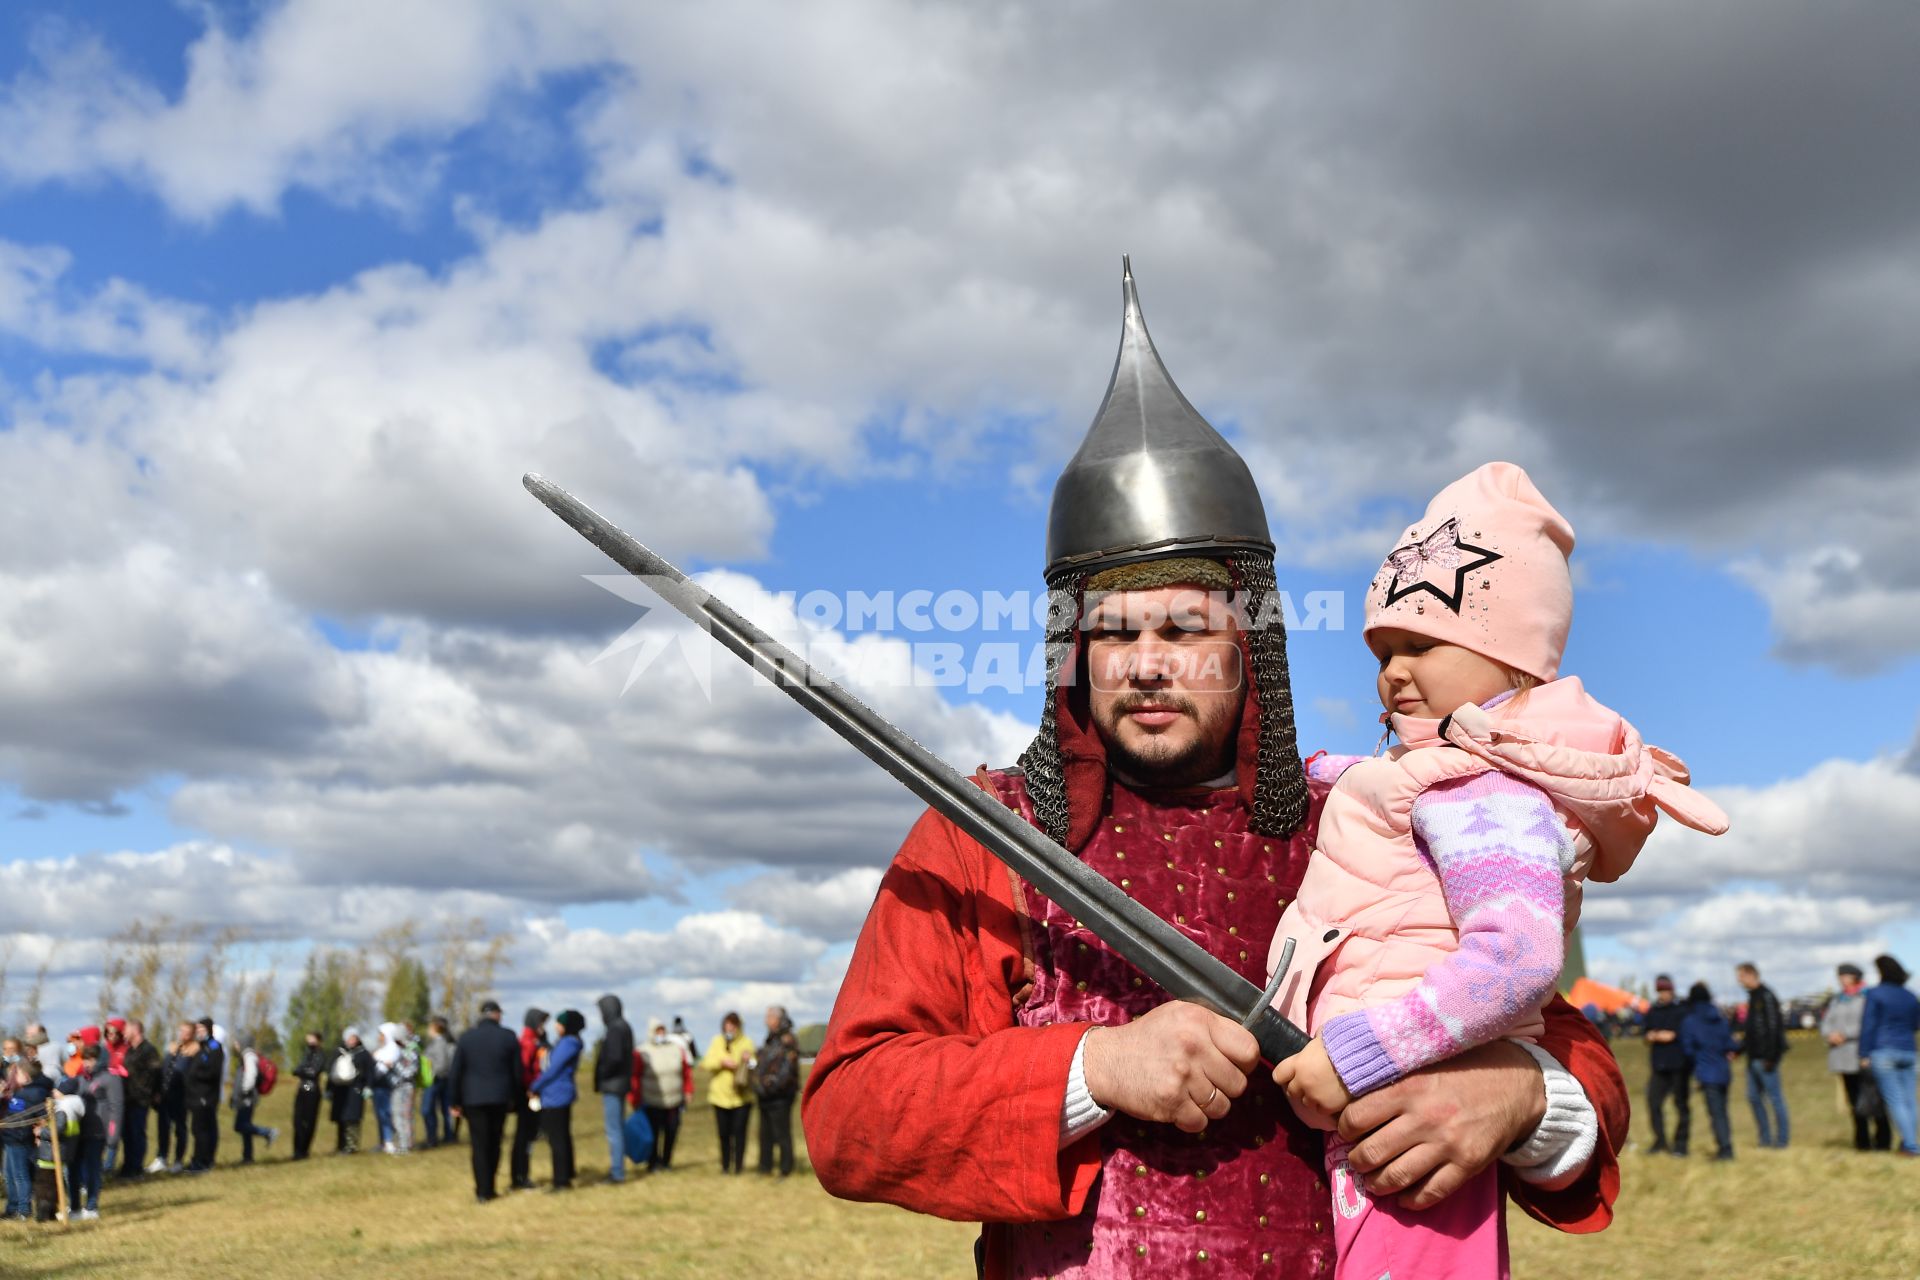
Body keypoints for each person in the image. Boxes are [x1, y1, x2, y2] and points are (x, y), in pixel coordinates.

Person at [804, 263, 1627, 1278]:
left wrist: (1518, 1093)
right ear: (1075, 653)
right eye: (1112, 632)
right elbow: (851, 1111)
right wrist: (1091, 1065)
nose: (1147, 661)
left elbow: (1569, 1042)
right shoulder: (985, 836)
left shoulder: (1378, 816)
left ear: (1253, 644)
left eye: (1185, 625)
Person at [1266, 462, 1725, 1274]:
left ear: (1509, 661)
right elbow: (1385, 787)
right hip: (1376, 1108)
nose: (1391, 672)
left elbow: (1514, 958)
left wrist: (1362, 1051)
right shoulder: (1445, 774)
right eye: (1383, 649)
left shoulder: (1492, 799)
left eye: (1420, 645)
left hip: (1406, 1118)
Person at [449, 999, 524, 1202]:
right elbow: (517, 1072)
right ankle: (490, 1185)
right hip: (500, 1098)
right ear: (497, 1015)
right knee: (495, 1142)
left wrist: (454, 1101)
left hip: (473, 1099)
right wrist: (517, 1099)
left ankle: (482, 1191)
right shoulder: (508, 1037)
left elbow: (456, 1072)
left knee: (479, 1145)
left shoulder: (466, 1038)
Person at [1822, 964, 1891, 1152]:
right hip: (1842, 1057)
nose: (1842, 979)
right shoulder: (1837, 1000)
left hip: (1863, 1055)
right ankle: (1862, 1142)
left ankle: (1883, 1140)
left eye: (1846, 976)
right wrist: (1830, 1034)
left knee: (1873, 1100)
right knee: (1854, 1102)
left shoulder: (1867, 996)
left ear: (1855, 977)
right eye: (1840, 976)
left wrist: (1845, 1034)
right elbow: (1826, 1023)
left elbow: (1870, 1023)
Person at [1859, 953, 1920, 1156]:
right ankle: (1909, 1142)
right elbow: (1915, 1024)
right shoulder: (1911, 996)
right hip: (1909, 1051)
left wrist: (1864, 1053)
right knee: (1910, 1099)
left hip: (1883, 1050)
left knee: (1895, 1101)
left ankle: (1910, 1145)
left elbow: (1869, 1025)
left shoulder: (1875, 994)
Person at [1680, 983, 1737, 1160]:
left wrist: (1698, 1060)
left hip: (1707, 1071)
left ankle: (1725, 1150)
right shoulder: (1720, 1018)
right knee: (1723, 1111)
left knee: (1716, 1113)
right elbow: (1730, 1044)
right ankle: (1726, 1145)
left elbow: (1687, 1049)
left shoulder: (1690, 1021)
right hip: (1724, 1071)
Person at [528, 1009, 583, 1190]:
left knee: (557, 1138)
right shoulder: (567, 1042)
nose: (556, 1027)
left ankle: (561, 1180)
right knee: (562, 1136)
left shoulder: (568, 1043)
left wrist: (535, 1086)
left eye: (559, 1023)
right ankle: (567, 1171)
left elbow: (552, 1068)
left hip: (556, 1095)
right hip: (558, 1093)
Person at [1736, 962, 1790, 1148]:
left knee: (1775, 1098)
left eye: (1741, 976)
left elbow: (1775, 1028)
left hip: (1766, 1058)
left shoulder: (1766, 996)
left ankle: (1781, 1140)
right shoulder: (1752, 998)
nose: (1738, 980)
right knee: (1753, 1097)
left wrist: (1772, 1057)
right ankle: (1764, 1139)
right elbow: (1751, 1031)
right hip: (1752, 1058)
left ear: (1751, 975)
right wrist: (1738, 1050)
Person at [68, 1041, 121, 1218]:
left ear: (100, 1059)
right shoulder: (81, 1079)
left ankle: (91, 1207)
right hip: (78, 1131)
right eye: (85, 1059)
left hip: (97, 1133)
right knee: (73, 1169)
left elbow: (116, 1108)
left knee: (92, 1170)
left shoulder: (111, 1079)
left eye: (91, 1059)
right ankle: (74, 1207)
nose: (87, 1063)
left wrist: (112, 1137)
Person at [1642, 976, 1693, 1155]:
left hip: (1679, 1065)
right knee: (1653, 1102)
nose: (1663, 994)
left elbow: (1675, 1035)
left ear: (1672, 990)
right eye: (1660, 990)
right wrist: (1655, 1036)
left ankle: (1681, 1144)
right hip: (1659, 1066)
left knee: (1681, 1105)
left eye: (1665, 990)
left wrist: (1662, 1036)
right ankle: (1660, 1141)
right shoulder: (1653, 1010)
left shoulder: (1681, 1010)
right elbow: (1646, 1034)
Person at [700, 1011, 756, 1174]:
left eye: (732, 1026)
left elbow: (754, 1065)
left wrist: (748, 1060)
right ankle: (725, 1166)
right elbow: (707, 1062)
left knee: (739, 1133)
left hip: (741, 1098)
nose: (729, 1029)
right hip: (720, 1097)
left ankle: (738, 1166)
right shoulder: (716, 1041)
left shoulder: (747, 1042)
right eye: (727, 1026)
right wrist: (721, 1062)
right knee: (723, 1134)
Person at [635, 1017, 688, 1171]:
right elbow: (636, 1075)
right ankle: (652, 1162)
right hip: (652, 1099)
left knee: (671, 1131)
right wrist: (635, 1098)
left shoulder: (676, 1049)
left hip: (673, 1099)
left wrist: (687, 1091)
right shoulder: (642, 1051)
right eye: (658, 1030)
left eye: (663, 1030)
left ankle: (666, 1161)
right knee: (653, 1132)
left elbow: (685, 1071)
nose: (661, 1033)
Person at [593, 994, 635, 1184]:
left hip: (613, 1083)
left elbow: (614, 1058)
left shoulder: (615, 1029)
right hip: (620, 1083)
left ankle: (617, 1172)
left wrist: (603, 1072)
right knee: (617, 1127)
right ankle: (618, 1169)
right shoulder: (623, 1027)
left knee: (613, 1129)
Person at [3, 1058, 51, 1221]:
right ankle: (12, 1207)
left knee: (20, 1176)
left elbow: (40, 1115)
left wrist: (40, 1133)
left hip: (20, 1139)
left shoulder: (34, 1093)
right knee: (9, 1175)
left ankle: (24, 1209)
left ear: (25, 1075)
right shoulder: (21, 1092)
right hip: (10, 1138)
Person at [755, 1006, 800, 1178]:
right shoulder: (770, 1039)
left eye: (769, 1016)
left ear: (778, 1019)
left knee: (782, 1133)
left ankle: (785, 1168)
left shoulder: (788, 1039)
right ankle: (764, 1167)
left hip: (781, 1096)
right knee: (764, 1133)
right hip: (765, 1095)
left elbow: (787, 1069)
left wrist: (771, 1086)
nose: (766, 1020)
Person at [510, 1007, 550, 1191]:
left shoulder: (537, 1041)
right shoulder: (527, 1042)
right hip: (529, 1094)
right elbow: (524, 1069)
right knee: (524, 1137)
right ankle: (520, 1175)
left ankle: (521, 1174)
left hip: (533, 1092)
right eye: (541, 1022)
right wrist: (532, 1087)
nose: (543, 1026)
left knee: (528, 1137)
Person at [117, 1020, 161, 1180]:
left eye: (126, 1030)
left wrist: (155, 1093)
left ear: (135, 1030)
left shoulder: (149, 1050)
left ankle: (137, 1169)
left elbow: (157, 1073)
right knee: (127, 1135)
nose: (123, 1033)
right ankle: (127, 1167)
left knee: (137, 1133)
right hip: (127, 1098)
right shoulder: (130, 1051)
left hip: (141, 1098)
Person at [182, 1017, 224, 1173]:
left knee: (203, 1130)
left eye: (201, 1030)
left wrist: (196, 1075)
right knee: (197, 1129)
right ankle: (197, 1159)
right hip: (195, 1096)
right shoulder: (200, 1047)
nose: (199, 1032)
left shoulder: (214, 1047)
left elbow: (213, 1071)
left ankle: (204, 1161)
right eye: (197, 1030)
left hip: (206, 1096)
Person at [151, 1021, 194, 1173]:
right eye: (181, 1031)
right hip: (165, 1095)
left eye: (186, 1032)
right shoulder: (173, 1050)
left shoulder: (193, 1053)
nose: (182, 1034)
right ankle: (161, 1158)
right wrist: (158, 1091)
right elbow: (163, 1071)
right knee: (163, 1127)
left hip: (181, 1097)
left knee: (180, 1129)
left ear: (191, 1034)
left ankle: (178, 1161)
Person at [230, 1034, 279, 1163]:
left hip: (247, 1097)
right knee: (246, 1126)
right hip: (246, 1097)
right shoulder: (247, 1056)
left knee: (239, 1125)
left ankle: (268, 1132)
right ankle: (248, 1157)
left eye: (236, 1042)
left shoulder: (249, 1056)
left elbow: (251, 1075)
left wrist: (245, 1091)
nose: (235, 1045)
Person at [329, 1028, 373, 1154]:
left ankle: (351, 1146)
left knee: (352, 1118)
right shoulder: (338, 1052)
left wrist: (368, 1087)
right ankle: (341, 1145)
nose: (352, 1040)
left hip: (356, 1090)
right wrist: (329, 1089)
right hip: (340, 1090)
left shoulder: (363, 1054)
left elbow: (370, 1072)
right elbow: (331, 1070)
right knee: (341, 1118)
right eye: (350, 1037)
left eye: (354, 1037)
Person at [420, 1017, 457, 1148]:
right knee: (441, 1109)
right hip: (442, 1079)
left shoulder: (439, 1043)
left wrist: (432, 1074)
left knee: (427, 1109)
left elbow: (441, 1063)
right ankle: (444, 1136)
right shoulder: (443, 1042)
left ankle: (432, 1138)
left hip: (436, 1080)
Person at [290, 1032, 327, 1159]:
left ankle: (304, 1150)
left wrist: (302, 1071)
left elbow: (313, 1072)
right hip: (303, 1087)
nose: (309, 1041)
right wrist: (302, 1071)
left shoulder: (320, 1055)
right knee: (298, 1120)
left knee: (309, 1120)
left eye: (311, 1038)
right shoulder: (306, 1054)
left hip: (311, 1088)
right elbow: (297, 1069)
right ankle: (297, 1149)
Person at [370, 1022, 402, 1154]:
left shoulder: (394, 1049)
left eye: (381, 1035)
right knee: (380, 1114)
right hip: (377, 1086)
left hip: (387, 1087)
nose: (379, 1037)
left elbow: (387, 1066)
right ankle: (383, 1141)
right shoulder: (381, 1050)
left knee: (387, 1114)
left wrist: (379, 1061)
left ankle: (390, 1141)